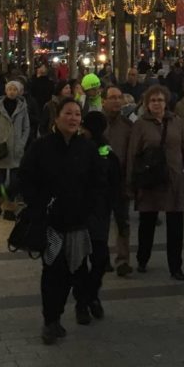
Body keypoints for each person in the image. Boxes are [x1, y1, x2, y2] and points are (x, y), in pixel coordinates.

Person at [19, 99, 104, 345]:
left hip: (78, 223)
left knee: (77, 269)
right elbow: (26, 178)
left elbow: (97, 181)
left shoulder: (86, 147)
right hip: (51, 224)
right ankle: (51, 320)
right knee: (53, 272)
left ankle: (81, 305)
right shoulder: (41, 146)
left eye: (77, 114)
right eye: (68, 113)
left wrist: (91, 209)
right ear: (56, 117)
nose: (73, 118)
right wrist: (38, 206)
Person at [126, 85, 184, 280]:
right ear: (146, 103)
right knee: (147, 223)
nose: (157, 104)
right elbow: (133, 154)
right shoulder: (140, 125)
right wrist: (131, 184)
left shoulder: (177, 122)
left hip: (174, 179)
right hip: (150, 181)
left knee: (176, 226)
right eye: (153, 100)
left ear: (166, 102)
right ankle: (143, 258)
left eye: (160, 100)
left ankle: (176, 266)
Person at [76, 109, 121, 323]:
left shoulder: (106, 152)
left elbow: (116, 184)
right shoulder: (76, 149)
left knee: (100, 259)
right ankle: (82, 304)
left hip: (100, 214)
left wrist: (118, 213)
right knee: (79, 262)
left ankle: (90, 296)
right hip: (78, 214)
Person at [101, 86, 135, 277]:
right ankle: (102, 257)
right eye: (112, 97)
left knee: (123, 222)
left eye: (119, 97)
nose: (116, 101)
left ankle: (123, 260)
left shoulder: (128, 126)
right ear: (104, 101)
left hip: (121, 182)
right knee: (102, 223)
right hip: (101, 182)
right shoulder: (96, 124)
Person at [0, 80, 31, 219]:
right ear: (6, 91)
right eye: (9, 89)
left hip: (16, 149)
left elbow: (26, 127)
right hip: (1, 149)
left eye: (15, 89)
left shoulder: (23, 107)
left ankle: (9, 208)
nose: (12, 92)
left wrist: (22, 142)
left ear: (19, 92)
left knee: (14, 181)